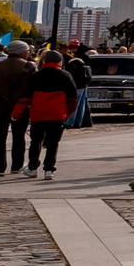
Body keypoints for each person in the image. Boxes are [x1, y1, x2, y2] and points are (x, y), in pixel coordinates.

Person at [24, 51, 78, 180]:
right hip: (57, 114)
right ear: (60, 62)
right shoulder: (65, 75)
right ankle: (49, 169)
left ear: (44, 61)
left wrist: (17, 112)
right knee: (53, 143)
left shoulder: (36, 76)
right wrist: (67, 113)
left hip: (38, 114)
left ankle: (32, 168)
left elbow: (26, 96)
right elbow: (72, 98)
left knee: (35, 141)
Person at [0, 43, 34, 177]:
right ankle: (17, 165)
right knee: (19, 136)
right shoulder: (30, 66)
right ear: (23, 52)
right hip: (21, 106)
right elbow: (33, 88)